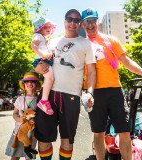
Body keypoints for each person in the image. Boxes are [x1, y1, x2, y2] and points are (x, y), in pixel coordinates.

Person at [81, 8, 142, 160]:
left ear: (97, 22)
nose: (90, 24)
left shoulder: (111, 41)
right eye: (87, 21)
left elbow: (126, 61)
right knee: (98, 133)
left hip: (115, 90)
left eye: (92, 20)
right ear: (83, 24)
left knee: (125, 132)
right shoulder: (81, 45)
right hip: (94, 93)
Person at [34, 9, 96, 160]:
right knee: (43, 138)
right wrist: (36, 68)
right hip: (48, 96)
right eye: (70, 19)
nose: (73, 22)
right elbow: (40, 62)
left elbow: (92, 72)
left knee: (67, 139)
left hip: (71, 96)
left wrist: (89, 92)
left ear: (80, 23)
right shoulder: (53, 41)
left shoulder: (86, 44)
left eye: (76, 20)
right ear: (64, 21)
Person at [5, 71, 42, 160]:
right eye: (27, 81)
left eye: (33, 81)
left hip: (31, 135)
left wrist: (35, 120)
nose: (29, 83)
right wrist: (18, 119)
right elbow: (14, 113)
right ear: (24, 84)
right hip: (18, 133)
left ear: (37, 84)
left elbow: (42, 116)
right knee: (14, 156)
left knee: (29, 157)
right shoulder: (20, 99)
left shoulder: (40, 100)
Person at [31, 16, 56, 115]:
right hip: (41, 60)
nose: (49, 29)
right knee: (50, 78)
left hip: (46, 60)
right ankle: (44, 101)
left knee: (49, 78)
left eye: (50, 27)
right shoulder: (38, 36)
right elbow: (33, 46)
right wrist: (43, 55)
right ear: (40, 28)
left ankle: (44, 99)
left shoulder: (44, 38)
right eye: (46, 27)